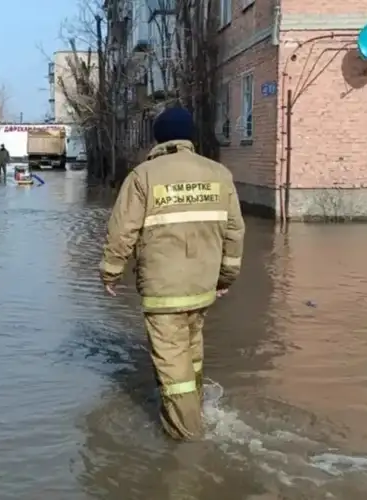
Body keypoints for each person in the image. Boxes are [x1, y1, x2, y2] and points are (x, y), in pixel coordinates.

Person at [99, 106, 245, 441]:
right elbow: (235, 231)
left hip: (163, 292)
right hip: (203, 289)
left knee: (172, 369)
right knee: (192, 354)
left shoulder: (144, 176)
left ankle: (188, 442)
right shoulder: (219, 174)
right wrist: (226, 278)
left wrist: (111, 273)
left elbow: (122, 231)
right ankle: (198, 413)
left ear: (159, 138)